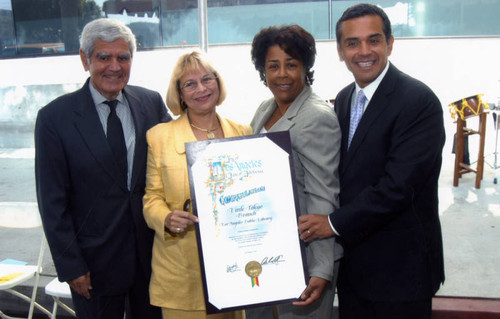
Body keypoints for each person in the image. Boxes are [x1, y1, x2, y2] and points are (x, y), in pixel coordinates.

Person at [298, 4, 445, 319]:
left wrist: (332, 223)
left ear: (390, 43)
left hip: (401, 275)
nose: (363, 51)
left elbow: (398, 187)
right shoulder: (345, 98)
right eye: (352, 43)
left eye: (373, 40)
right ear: (340, 51)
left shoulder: (418, 101)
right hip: (356, 273)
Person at [35, 18, 171, 319]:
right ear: (85, 60)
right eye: (103, 57)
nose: (114, 66)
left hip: (152, 261)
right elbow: (52, 202)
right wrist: (72, 266)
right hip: (92, 268)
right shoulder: (54, 119)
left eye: (123, 57)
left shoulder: (150, 103)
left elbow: (178, 157)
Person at [142, 51, 251, 319]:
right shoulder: (159, 137)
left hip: (236, 271)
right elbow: (151, 197)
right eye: (190, 84)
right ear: (179, 94)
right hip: (182, 276)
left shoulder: (244, 133)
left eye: (207, 79)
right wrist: (165, 217)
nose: (201, 89)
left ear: (218, 83)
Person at [246, 24, 342, 319]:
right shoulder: (266, 107)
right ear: (263, 71)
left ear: (305, 67)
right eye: (273, 66)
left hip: (306, 258)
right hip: (270, 251)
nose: (282, 74)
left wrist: (322, 268)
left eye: (291, 64)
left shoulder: (315, 116)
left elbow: (323, 195)